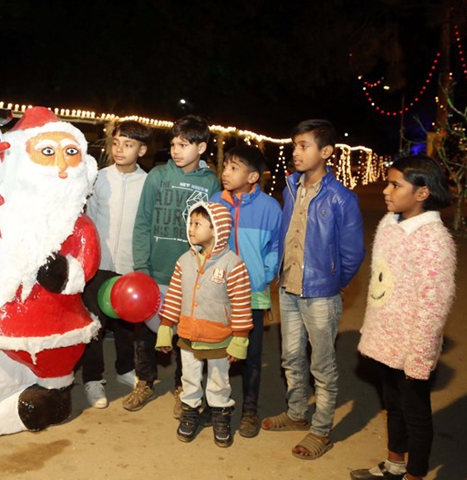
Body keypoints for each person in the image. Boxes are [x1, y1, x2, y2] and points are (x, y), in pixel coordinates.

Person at [261, 119, 365, 460]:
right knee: (291, 357)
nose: (296, 152)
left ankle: (321, 430)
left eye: (304, 146)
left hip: (321, 293)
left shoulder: (341, 198)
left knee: (322, 364)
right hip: (288, 288)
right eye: (294, 146)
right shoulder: (291, 187)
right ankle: (295, 413)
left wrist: (331, 283)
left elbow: (352, 254)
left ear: (326, 152)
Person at [351, 156, 455, 480]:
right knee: (392, 405)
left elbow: (434, 303)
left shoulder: (434, 241)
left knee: (415, 414)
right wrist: (372, 328)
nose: (386, 190)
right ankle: (395, 463)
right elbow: (380, 286)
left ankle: (416, 474)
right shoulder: (388, 223)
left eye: (396, 185)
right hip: (385, 339)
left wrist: (419, 357)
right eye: (388, 182)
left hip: (412, 346)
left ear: (422, 193)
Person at [126, 115, 221, 413]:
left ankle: (184, 385)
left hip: (190, 277)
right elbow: (142, 222)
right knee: (145, 334)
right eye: (173, 144)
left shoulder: (210, 182)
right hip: (154, 272)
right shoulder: (157, 176)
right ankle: (145, 380)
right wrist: (142, 267)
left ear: (202, 147)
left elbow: (214, 231)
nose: (176, 150)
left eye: (184, 144)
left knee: (186, 334)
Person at [155, 202, 252, 447]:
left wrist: (240, 337)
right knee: (189, 376)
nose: (191, 228)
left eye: (197, 224)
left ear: (216, 229)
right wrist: (166, 326)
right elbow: (175, 295)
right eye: (190, 223)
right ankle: (190, 411)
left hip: (219, 335)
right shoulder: (184, 261)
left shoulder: (233, 264)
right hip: (188, 332)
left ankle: (220, 414)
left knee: (219, 379)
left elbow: (241, 303)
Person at [209, 144, 282, 438]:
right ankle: (217, 407)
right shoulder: (215, 202)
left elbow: (275, 247)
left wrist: (264, 273)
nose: (225, 172)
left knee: (251, 354)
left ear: (253, 177)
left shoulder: (270, 208)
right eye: (225, 166)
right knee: (215, 351)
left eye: (234, 167)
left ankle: (249, 410)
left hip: (252, 293)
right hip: (217, 293)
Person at [81, 120, 152, 408]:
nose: (120, 149)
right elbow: (89, 219)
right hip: (98, 265)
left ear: (142, 149)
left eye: (129, 144)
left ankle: (125, 369)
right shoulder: (98, 178)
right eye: (117, 142)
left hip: (129, 265)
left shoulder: (148, 183)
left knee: (126, 326)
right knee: (94, 325)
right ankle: (92, 379)